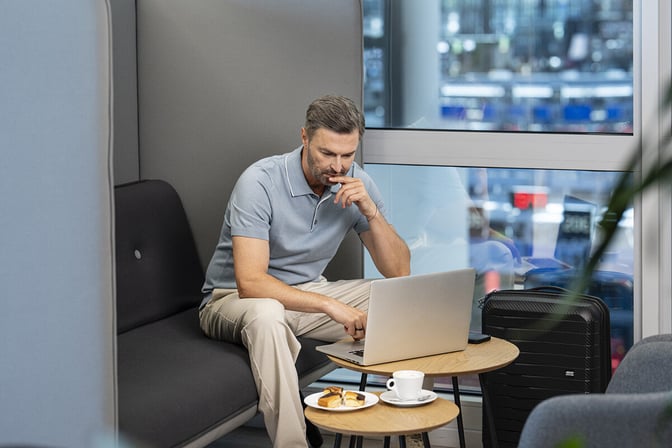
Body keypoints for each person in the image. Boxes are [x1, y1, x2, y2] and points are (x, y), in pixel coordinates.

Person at [199, 94, 410, 447]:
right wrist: (328, 305)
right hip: (231, 301)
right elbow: (250, 283)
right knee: (267, 314)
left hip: (303, 297)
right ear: (304, 138)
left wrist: (371, 212)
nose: (338, 166)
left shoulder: (356, 182)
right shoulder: (259, 182)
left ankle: (408, 429)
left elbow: (400, 271)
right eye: (327, 153)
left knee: (403, 299)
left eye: (347, 155)